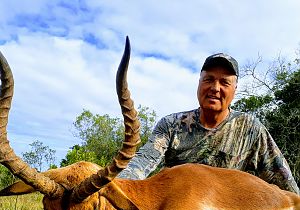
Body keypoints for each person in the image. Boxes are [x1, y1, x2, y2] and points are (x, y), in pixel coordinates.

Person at [118, 53, 299, 195]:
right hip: (178, 209)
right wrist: (116, 188)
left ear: (234, 90)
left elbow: (283, 179)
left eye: (225, 82)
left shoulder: (250, 128)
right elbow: (141, 163)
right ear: (199, 83)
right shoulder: (171, 125)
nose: (215, 88)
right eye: (209, 79)